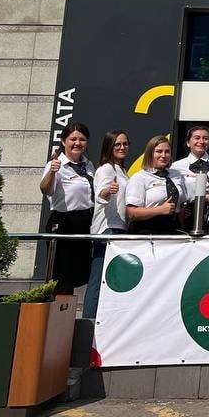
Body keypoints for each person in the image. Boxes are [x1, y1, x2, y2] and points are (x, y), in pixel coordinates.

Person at [40, 122, 96, 296]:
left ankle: (69, 309)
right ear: (64, 141)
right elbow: (45, 189)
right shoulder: (56, 164)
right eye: (73, 139)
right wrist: (52, 172)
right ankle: (57, 310)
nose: (77, 143)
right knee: (61, 278)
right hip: (63, 223)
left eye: (82, 139)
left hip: (84, 223)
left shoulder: (88, 165)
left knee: (78, 275)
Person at [85, 130, 130, 318]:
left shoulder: (122, 170)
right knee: (98, 280)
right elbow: (100, 194)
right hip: (107, 230)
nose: (122, 147)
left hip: (119, 229)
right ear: (109, 146)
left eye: (125, 144)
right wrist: (107, 191)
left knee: (111, 281)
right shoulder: (106, 169)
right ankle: (88, 322)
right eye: (117, 144)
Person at [125, 135, 188, 234]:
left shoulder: (176, 174)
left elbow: (181, 205)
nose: (163, 155)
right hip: (147, 230)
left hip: (173, 229)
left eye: (167, 152)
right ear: (150, 153)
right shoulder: (140, 177)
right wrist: (160, 210)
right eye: (159, 151)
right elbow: (132, 213)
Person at [169, 125, 209, 229]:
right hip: (187, 213)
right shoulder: (176, 166)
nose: (201, 141)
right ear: (188, 142)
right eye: (197, 138)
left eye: (205, 138)